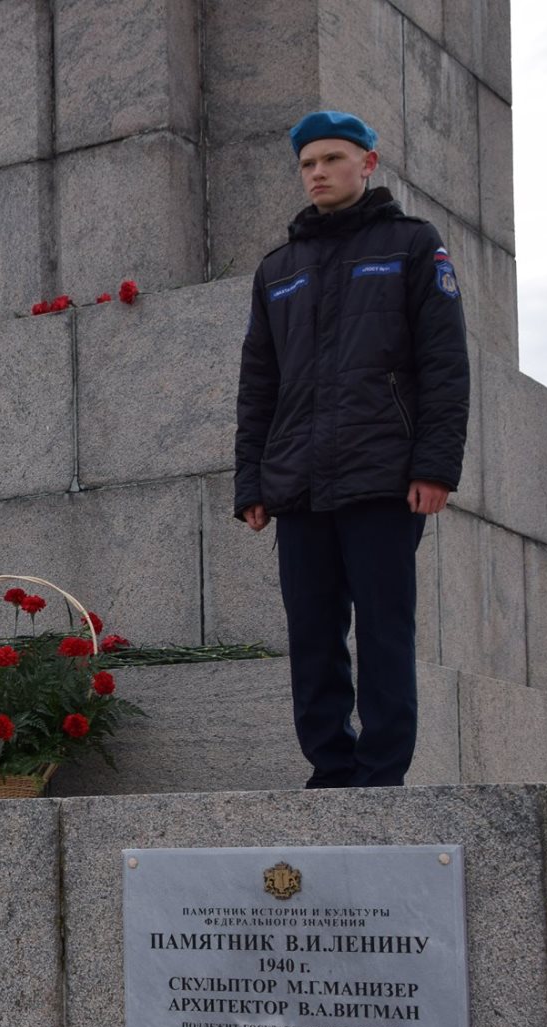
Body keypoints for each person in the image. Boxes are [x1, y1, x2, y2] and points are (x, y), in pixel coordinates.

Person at [233, 110, 469, 788]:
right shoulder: (277, 268)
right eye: (308, 164)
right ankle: (330, 769)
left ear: (368, 163)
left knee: (384, 632)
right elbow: (259, 385)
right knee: (312, 635)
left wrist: (434, 465)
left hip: (383, 480)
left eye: (332, 160)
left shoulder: (412, 246)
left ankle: (380, 775)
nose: (318, 173)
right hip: (298, 486)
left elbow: (445, 366)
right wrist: (251, 483)